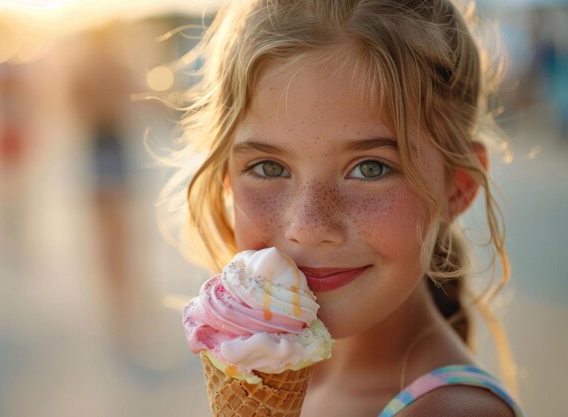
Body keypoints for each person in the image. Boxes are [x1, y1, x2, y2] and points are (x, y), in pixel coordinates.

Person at [159, 0, 526, 416]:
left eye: (370, 168)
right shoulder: (264, 369)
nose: (308, 226)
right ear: (226, 177)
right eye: (268, 167)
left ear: (457, 188)